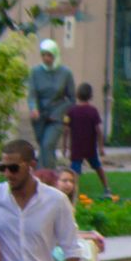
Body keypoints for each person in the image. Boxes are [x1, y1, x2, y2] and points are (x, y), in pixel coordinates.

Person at [27, 40, 76, 169]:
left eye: (49, 55)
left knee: (48, 144)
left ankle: (45, 177)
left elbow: (71, 99)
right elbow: (32, 94)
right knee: (44, 148)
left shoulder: (65, 73)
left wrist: (60, 113)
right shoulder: (35, 72)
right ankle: (49, 176)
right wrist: (33, 108)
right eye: (43, 55)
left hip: (56, 117)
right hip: (39, 117)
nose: (46, 58)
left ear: (55, 55)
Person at [64, 83, 114, 199]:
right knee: (97, 167)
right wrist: (101, 147)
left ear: (77, 95)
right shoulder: (93, 111)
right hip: (90, 146)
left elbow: (66, 130)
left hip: (76, 147)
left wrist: (65, 146)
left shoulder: (71, 111)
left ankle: (73, 193)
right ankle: (106, 188)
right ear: (91, 96)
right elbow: (98, 130)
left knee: (75, 172)